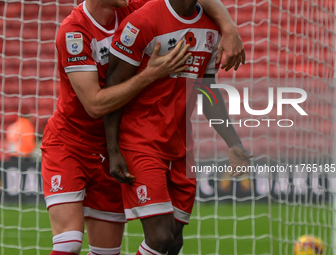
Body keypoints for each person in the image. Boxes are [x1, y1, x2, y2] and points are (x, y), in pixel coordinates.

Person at [41, 0, 246, 255]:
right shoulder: (74, 32)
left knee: (123, 249)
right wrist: (151, 74)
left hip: (111, 142)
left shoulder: (130, 8)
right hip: (72, 142)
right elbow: (94, 105)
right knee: (69, 242)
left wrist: (229, 28)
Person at [104, 0, 253, 255]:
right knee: (160, 238)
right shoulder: (143, 22)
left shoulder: (211, 28)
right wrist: (113, 148)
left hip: (181, 147)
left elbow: (208, 92)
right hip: (141, 142)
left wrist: (234, 143)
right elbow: (113, 86)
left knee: (173, 242)